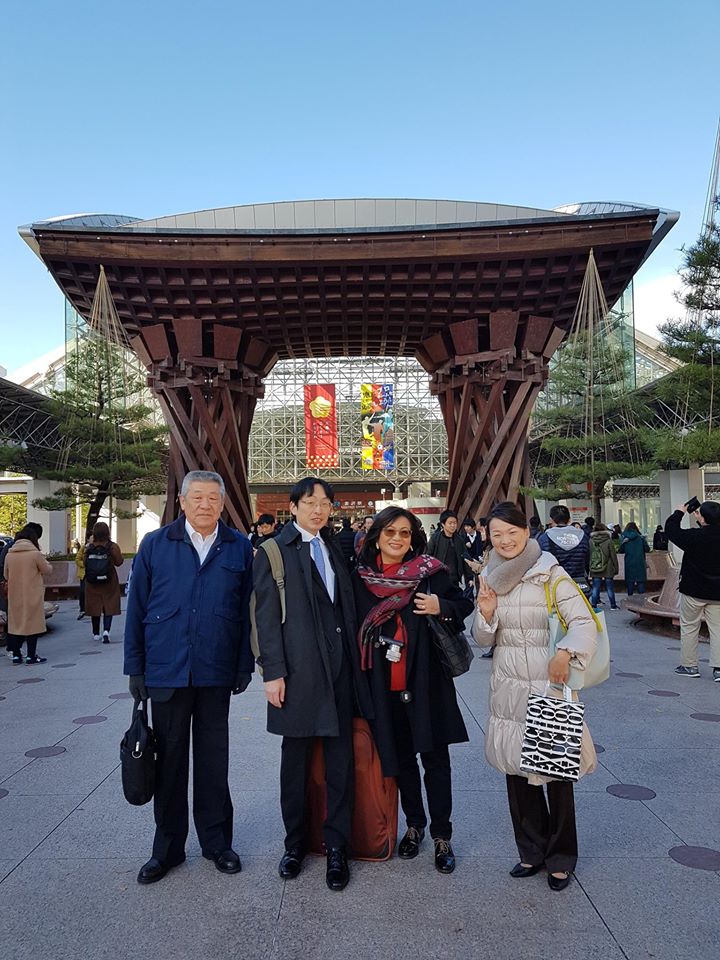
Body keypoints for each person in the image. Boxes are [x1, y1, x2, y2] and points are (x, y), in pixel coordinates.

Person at [124, 470, 254, 885]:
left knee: (214, 761)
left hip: (216, 669)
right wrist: (135, 667)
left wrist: (244, 664)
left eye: (213, 498)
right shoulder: (156, 544)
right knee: (170, 761)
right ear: (182, 502)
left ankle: (217, 843)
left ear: (222, 503)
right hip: (167, 669)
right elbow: (137, 609)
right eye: (196, 497)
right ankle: (167, 849)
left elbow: (245, 612)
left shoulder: (238, 547)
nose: (205, 504)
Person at [253, 477, 373, 892]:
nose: (319, 509)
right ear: (293, 507)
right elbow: (266, 617)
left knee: (340, 761)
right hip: (298, 672)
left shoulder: (334, 547)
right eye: (310, 502)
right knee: (296, 763)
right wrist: (272, 672)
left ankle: (337, 847)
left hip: (340, 671)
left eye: (325, 503)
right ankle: (295, 845)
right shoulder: (275, 551)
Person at [472, 502, 597, 892]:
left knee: (556, 774)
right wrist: (486, 614)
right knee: (517, 773)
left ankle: (561, 858)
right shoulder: (490, 577)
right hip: (509, 688)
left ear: (526, 532)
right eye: (497, 534)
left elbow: (583, 622)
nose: (505, 540)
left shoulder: (550, 573)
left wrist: (565, 652)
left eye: (512, 532)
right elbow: (483, 639)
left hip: (548, 687)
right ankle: (531, 851)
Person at [353, 507, 472, 873]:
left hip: (426, 683)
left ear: (413, 539)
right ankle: (414, 826)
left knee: (435, 761)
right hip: (384, 686)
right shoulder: (360, 578)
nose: (397, 539)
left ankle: (442, 835)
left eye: (404, 533)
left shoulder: (429, 573)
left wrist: (441, 606)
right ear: (376, 537)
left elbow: (463, 603)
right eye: (390, 532)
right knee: (402, 760)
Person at [665, 501, 720, 681]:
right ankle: (719, 669)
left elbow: (671, 530)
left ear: (702, 518)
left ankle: (689, 666)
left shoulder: (694, 537)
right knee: (718, 629)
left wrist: (680, 512)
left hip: (693, 590)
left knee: (689, 627)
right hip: (717, 593)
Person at [4, 524, 52, 664]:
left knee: (16, 624)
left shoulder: (9, 555)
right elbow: (47, 570)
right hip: (32, 594)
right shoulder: (35, 554)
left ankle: (16, 655)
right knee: (32, 625)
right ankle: (31, 656)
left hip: (14, 594)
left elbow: (6, 575)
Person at [82, 522, 123, 642]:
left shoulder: (89, 547)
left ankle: (96, 633)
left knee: (95, 605)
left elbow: (84, 562)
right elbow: (119, 562)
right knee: (109, 604)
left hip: (92, 581)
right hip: (109, 581)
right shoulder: (112, 546)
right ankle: (106, 630)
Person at [538, 505, 589, 586]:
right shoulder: (583, 536)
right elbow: (587, 559)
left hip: (556, 584)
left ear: (551, 520)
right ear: (569, 520)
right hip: (579, 583)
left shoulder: (544, 538)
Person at [427, 510, 470, 588]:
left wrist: (469, 578)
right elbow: (428, 557)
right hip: (438, 579)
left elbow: (465, 558)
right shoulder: (435, 539)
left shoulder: (459, 540)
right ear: (443, 524)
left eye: (455, 523)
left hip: (454, 579)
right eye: (450, 523)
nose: (453, 525)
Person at [589, 525, 619, 609]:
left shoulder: (591, 541)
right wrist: (616, 568)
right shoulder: (608, 540)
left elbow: (589, 554)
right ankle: (613, 605)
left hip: (595, 566)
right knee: (609, 587)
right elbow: (613, 555)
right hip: (608, 567)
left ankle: (594, 605)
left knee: (595, 587)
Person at [617, 522, 649, 596]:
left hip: (629, 563)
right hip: (640, 562)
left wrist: (623, 543)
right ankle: (641, 599)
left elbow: (621, 550)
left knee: (630, 582)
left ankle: (630, 598)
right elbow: (647, 549)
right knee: (640, 582)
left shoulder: (625, 538)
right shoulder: (641, 538)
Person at [75, 535, 89, 621]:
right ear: (88, 539)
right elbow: (77, 559)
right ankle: (82, 609)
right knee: (82, 591)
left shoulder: (96, 547)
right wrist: (84, 564)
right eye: (91, 538)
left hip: (93, 573)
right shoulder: (84, 548)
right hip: (84, 574)